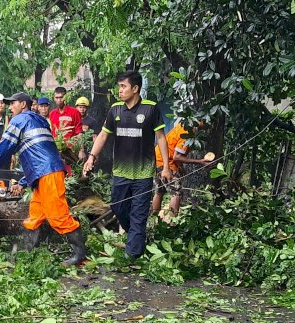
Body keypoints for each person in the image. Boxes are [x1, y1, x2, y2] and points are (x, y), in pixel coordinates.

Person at [0, 92, 87, 267]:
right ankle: (27, 252)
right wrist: (24, 181)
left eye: (13, 104)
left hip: (47, 173)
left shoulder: (19, 121)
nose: (10, 107)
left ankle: (80, 255)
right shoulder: (41, 120)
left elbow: (4, 148)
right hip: (44, 172)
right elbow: (38, 154)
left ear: (23, 105)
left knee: (58, 216)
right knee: (35, 215)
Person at [83, 70, 171, 259]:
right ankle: (136, 237)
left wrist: (166, 167)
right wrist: (91, 157)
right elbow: (103, 135)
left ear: (135, 88)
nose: (119, 90)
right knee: (118, 208)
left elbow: (161, 138)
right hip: (121, 172)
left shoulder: (151, 109)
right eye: (119, 86)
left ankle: (133, 256)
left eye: (123, 86)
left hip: (143, 173)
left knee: (138, 215)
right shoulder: (115, 109)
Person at [151, 121, 211, 218]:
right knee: (177, 192)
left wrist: (180, 167)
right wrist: (200, 162)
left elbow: (175, 149)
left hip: (156, 159)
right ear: (200, 122)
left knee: (159, 191)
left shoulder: (184, 124)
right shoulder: (189, 133)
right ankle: (173, 222)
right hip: (165, 162)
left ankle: (154, 220)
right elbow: (177, 156)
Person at [49, 87, 85, 161]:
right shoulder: (52, 114)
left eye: (61, 97)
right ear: (54, 98)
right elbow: (52, 133)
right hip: (57, 151)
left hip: (72, 151)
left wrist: (82, 150)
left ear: (66, 97)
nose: (59, 100)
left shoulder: (74, 112)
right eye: (57, 97)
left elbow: (79, 133)